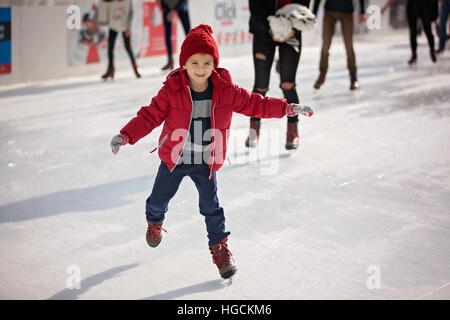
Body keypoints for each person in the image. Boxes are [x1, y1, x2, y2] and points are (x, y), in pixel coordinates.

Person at [110, 24, 313, 279]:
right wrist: (126, 135)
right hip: (175, 159)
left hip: (206, 162)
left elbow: (255, 104)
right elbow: (149, 116)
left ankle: (220, 249)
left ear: (214, 64)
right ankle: (154, 223)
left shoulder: (225, 90)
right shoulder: (171, 91)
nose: (201, 68)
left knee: (212, 208)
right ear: (184, 63)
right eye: (194, 62)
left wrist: (288, 108)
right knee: (157, 201)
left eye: (207, 62)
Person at [246, 0, 312, 151]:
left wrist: (292, 29)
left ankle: (292, 131)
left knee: (288, 84)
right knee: (261, 85)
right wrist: (270, 31)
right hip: (263, 32)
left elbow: (304, 6)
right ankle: (254, 128)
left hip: (292, 31)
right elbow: (255, 7)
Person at [312, 0, 366, 91]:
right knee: (325, 45)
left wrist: (362, 12)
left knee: (349, 45)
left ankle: (353, 77)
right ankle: (322, 74)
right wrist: (313, 14)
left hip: (347, 11)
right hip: (329, 11)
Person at [382, 0, 437, 64]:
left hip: (423, 4)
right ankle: (414, 55)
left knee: (427, 29)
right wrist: (385, 7)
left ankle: (432, 50)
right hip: (412, 6)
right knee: (412, 32)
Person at [99, 0, 142, 80]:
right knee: (110, 48)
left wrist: (129, 27)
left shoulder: (128, 1)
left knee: (127, 47)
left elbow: (131, 13)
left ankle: (135, 67)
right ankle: (110, 69)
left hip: (124, 25)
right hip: (113, 24)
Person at [157, 0, 191, 70]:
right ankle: (170, 61)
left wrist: (174, 10)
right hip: (167, 6)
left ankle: (193, 58)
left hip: (181, 6)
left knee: (189, 34)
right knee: (167, 34)